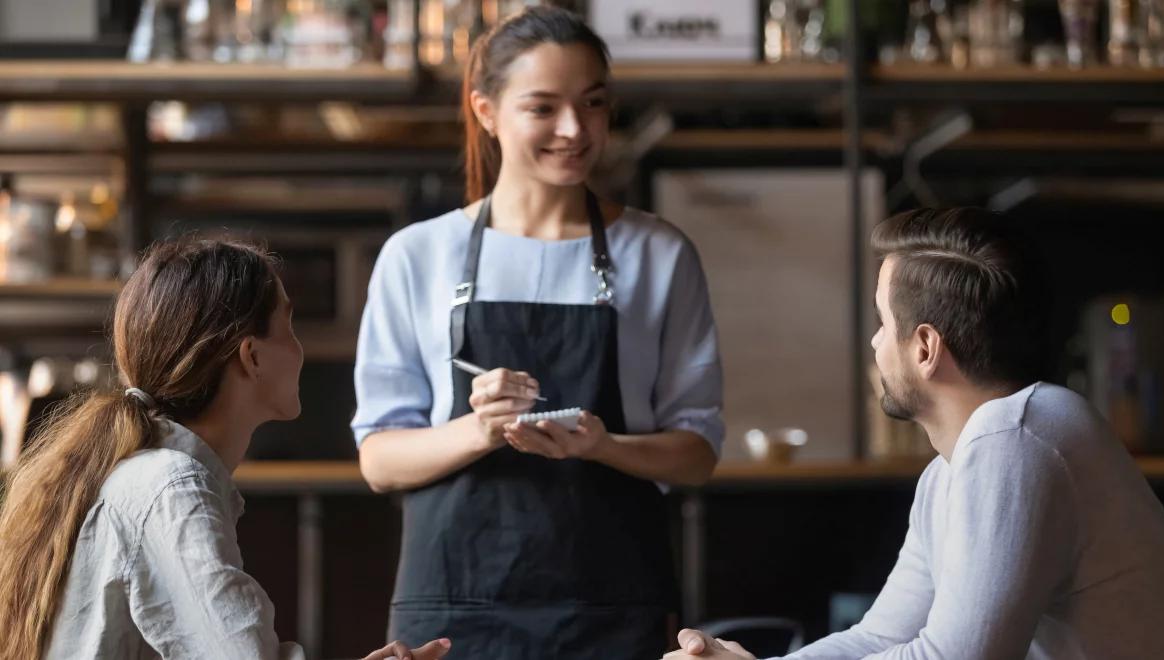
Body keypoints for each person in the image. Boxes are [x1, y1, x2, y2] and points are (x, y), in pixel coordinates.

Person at [352, 6, 724, 659]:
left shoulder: (659, 254)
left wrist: (603, 445)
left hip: (613, 604)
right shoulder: (418, 256)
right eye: (543, 108)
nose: (575, 130)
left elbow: (696, 452)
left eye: (594, 104)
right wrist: (480, 429)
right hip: (452, 610)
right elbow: (379, 461)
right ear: (487, 112)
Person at [668, 207, 1164, 659]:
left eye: (882, 322)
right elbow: (878, 636)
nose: (875, 344)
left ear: (925, 348)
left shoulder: (1014, 437)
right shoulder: (953, 468)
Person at [0, 238, 448, 660]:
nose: (300, 349)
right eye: (288, 326)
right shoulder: (172, 489)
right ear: (251, 356)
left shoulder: (152, 476)